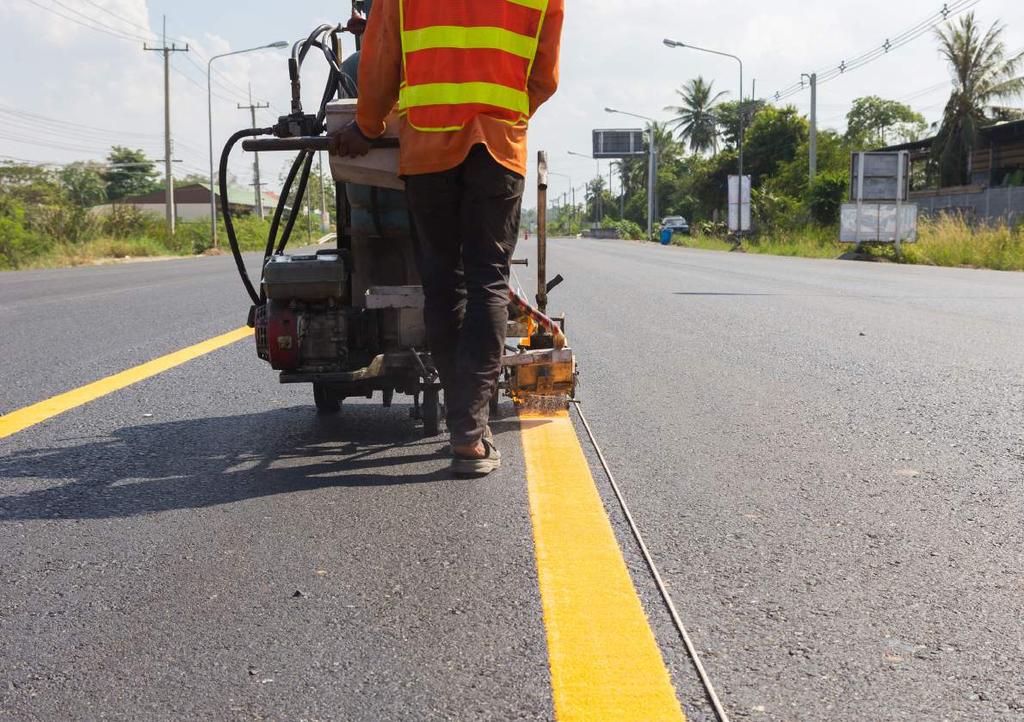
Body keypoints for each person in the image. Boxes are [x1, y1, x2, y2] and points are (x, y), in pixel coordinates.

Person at [330, 0, 564, 476]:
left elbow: (380, 61)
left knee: (443, 286)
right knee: (487, 285)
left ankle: (467, 427)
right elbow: (544, 76)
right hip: (499, 146)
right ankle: (469, 433)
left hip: (429, 145)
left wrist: (368, 126)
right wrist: (504, 113)